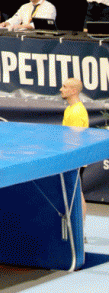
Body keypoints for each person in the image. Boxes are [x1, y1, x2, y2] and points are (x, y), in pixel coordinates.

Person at [61, 77, 90, 227]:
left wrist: (70, 160)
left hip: (76, 158)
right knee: (76, 192)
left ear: (73, 91)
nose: (61, 89)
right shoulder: (69, 109)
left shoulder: (77, 112)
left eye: (64, 87)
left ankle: (81, 229)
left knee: (77, 194)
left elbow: (75, 140)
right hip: (72, 158)